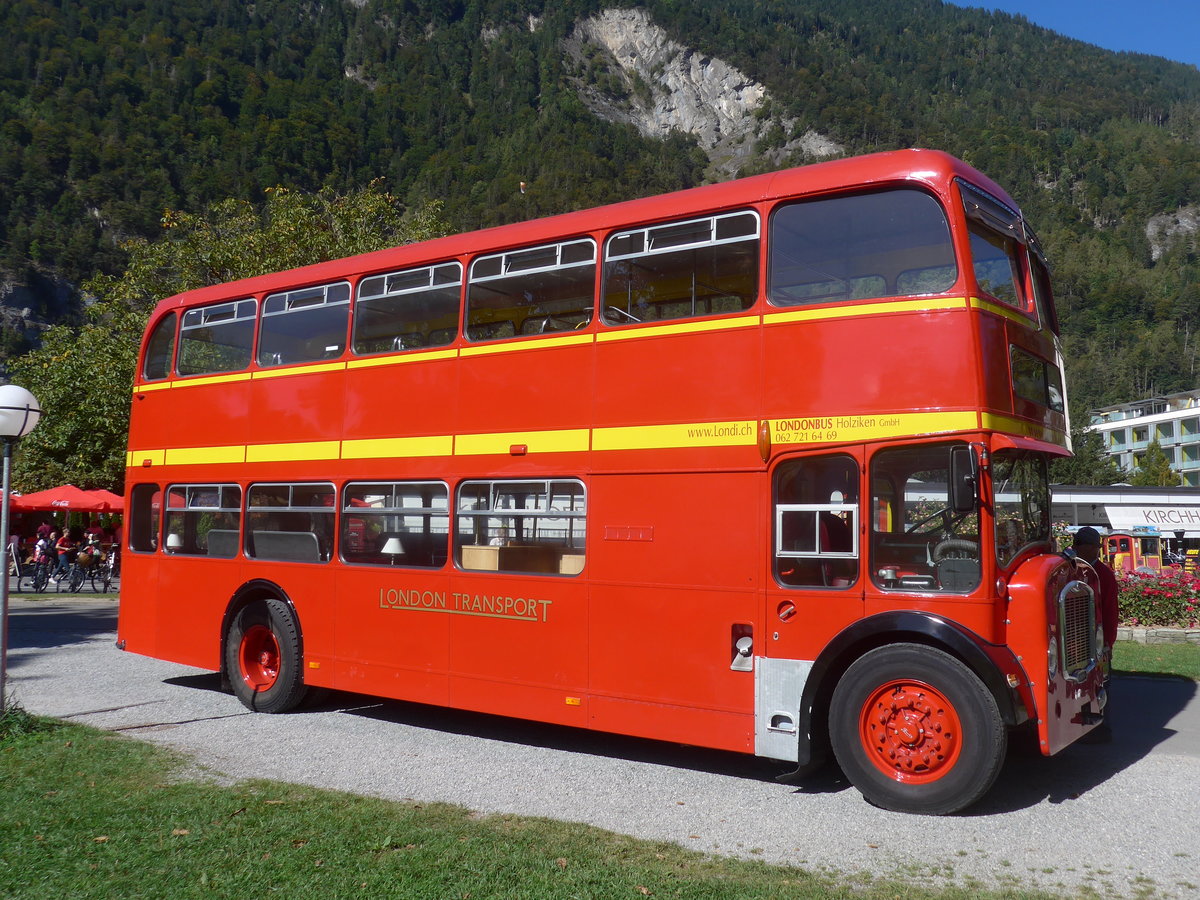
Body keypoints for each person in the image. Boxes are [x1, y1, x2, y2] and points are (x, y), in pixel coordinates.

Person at [1071, 526, 1119, 666]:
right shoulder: (1070, 569)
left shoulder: (1103, 574)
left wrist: (1107, 642)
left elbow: (1110, 611)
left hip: (1095, 637)